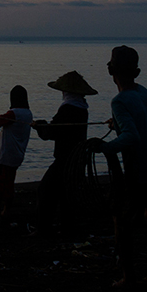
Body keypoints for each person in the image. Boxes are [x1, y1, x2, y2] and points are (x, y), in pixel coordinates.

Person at [90, 45, 147, 286]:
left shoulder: (119, 100)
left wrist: (103, 147)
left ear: (110, 70)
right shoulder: (143, 92)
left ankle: (128, 277)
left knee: (122, 221)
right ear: (136, 72)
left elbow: (132, 137)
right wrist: (117, 125)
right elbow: (140, 127)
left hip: (142, 172)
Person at [31, 71, 97, 236]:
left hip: (65, 158)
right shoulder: (82, 108)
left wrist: (39, 126)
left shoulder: (68, 108)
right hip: (77, 158)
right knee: (66, 194)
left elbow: (52, 133)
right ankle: (67, 228)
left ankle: (43, 229)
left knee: (45, 191)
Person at [0, 85, 33, 219]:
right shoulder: (28, 113)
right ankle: (6, 211)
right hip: (16, 155)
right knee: (8, 185)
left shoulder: (14, 113)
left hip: (4, 157)